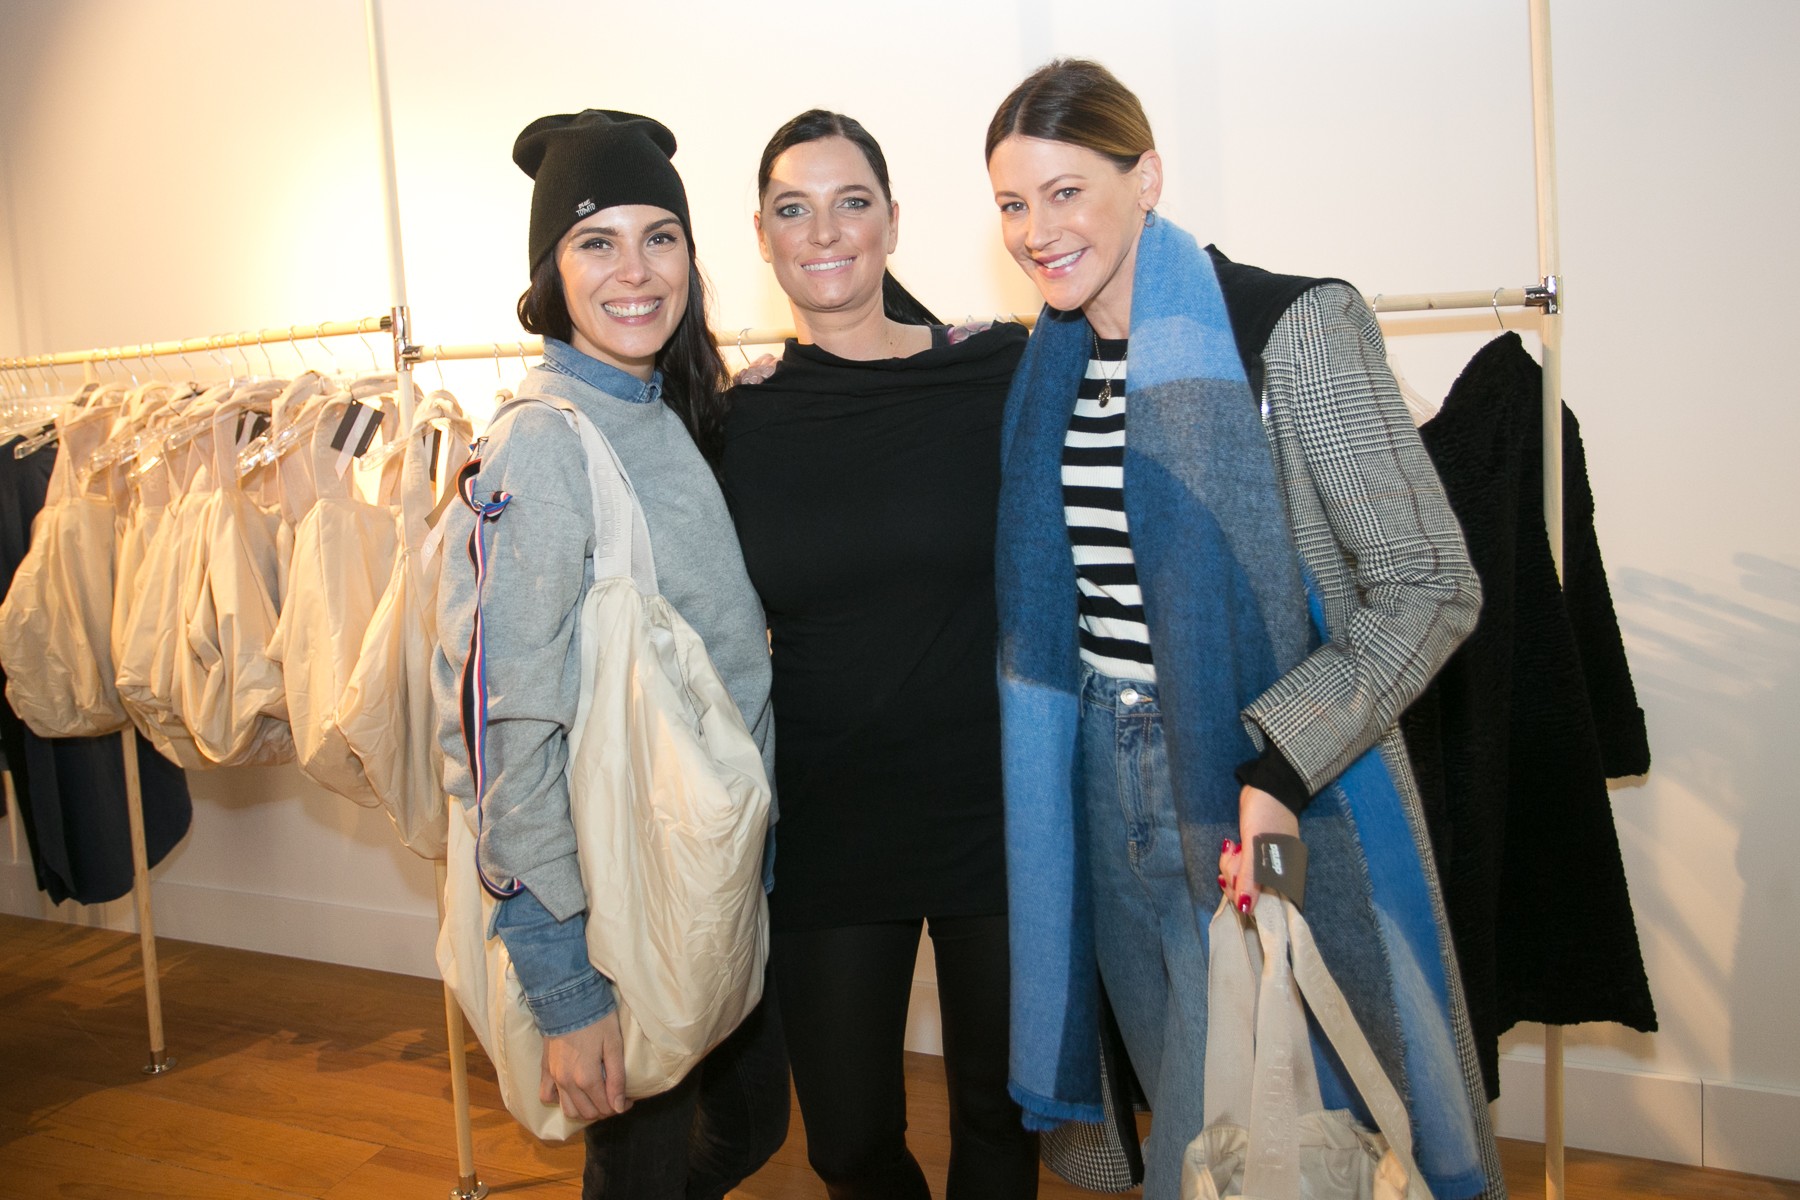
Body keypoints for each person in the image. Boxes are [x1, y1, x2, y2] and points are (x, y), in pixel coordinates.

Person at [984, 60, 1505, 1200]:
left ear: (1146, 178)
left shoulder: (1290, 328)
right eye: (1013, 203)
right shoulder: (1049, 363)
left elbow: (1429, 582)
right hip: (1099, 782)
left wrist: (1279, 761)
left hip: (1257, 780)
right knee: (1205, 1126)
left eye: (1067, 192)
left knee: (1271, 1113)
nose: (1036, 232)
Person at [432, 108, 787, 1199]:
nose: (636, 271)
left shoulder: (656, 408)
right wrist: (565, 987)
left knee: (752, 1125)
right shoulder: (543, 443)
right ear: (551, 272)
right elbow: (505, 731)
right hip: (621, 904)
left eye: (659, 237)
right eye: (597, 242)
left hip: (702, 878)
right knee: (641, 1171)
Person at [718, 109, 1039, 1200]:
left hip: (994, 810)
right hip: (830, 817)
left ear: (892, 223)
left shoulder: (994, 370)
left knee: (999, 1117)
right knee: (849, 1143)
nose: (824, 232)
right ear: (762, 236)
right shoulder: (737, 420)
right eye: (793, 209)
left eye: (851, 203)